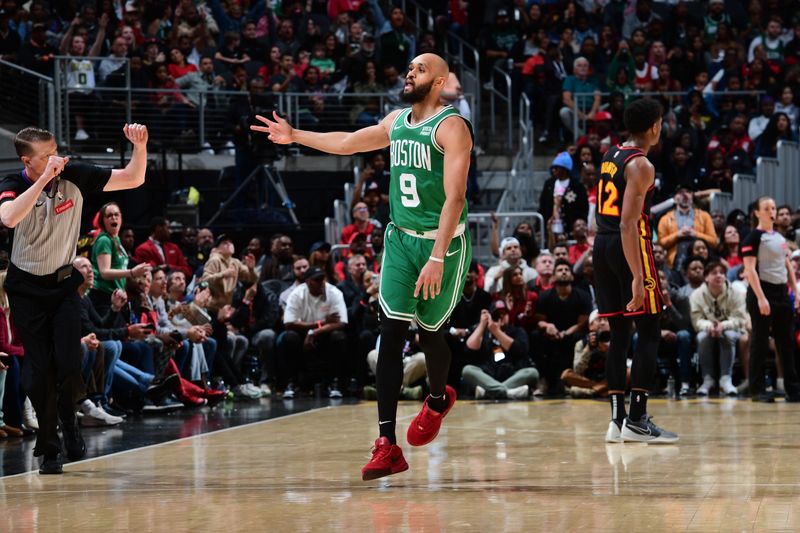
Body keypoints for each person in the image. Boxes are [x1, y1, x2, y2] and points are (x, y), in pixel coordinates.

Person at [252, 53, 473, 481]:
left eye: (420, 69)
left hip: (441, 246)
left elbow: (455, 198)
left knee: (431, 334)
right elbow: (349, 141)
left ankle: (438, 397)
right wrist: (295, 134)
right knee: (390, 333)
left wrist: (435, 257)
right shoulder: (396, 122)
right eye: (407, 67)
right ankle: (388, 445)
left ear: (440, 81)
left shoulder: (451, 127)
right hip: (400, 240)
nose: (410, 72)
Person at [0, 123, 149, 474]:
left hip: (64, 284)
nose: (57, 158)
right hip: (26, 289)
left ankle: (70, 422)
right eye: (47, 155)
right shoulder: (12, 184)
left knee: (69, 363)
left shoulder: (76, 175)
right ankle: (50, 448)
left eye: (57, 149)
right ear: (28, 161)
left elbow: (133, 177)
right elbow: (8, 218)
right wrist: (43, 181)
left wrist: (140, 147)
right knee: (39, 373)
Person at [592, 99, 678, 444]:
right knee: (650, 327)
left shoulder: (611, 154)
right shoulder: (642, 165)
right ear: (655, 126)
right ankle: (638, 419)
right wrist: (638, 279)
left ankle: (617, 420)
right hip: (628, 245)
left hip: (601, 244)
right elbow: (629, 223)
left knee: (619, 331)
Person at [742, 197, 800, 403]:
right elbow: (749, 270)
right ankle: (757, 390)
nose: (772, 212)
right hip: (762, 292)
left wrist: (796, 292)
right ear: (757, 213)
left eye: (773, 208)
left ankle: (793, 389)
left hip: (781, 293)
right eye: (766, 208)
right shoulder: (752, 237)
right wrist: (761, 298)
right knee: (759, 341)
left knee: (787, 342)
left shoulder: (779, 237)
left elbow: (787, 265)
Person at [689, 261, 747, 397]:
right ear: (706, 278)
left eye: (721, 273)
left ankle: (725, 379)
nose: (719, 276)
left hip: (731, 329)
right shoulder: (696, 295)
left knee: (727, 335)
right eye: (714, 273)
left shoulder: (735, 293)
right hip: (707, 329)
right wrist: (710, 326)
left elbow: (740, 319)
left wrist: (723, 325)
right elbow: (696, 321)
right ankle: (707, 380)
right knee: (702, 337)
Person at [462, 301, 538, 400]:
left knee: (532, 373)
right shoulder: (483, 333)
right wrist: (482, 325)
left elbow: (520, 350)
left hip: (512, 376)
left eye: (504, 313)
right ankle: (508, 392)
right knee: (467, 370)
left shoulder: (517, 331)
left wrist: (496, 331)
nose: (500, 317)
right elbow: (469, 349)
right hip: (487, 377)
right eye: (497, 315)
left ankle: (489, 393)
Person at [90, 202, 151, 315]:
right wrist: (132, 272)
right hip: (103, 296)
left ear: (121, 218)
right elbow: (104, 272)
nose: (114, 217)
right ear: (103, 221)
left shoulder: (116, 239)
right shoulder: (104, 240)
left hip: (117, 297)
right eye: (109, 215)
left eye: (116, 215)